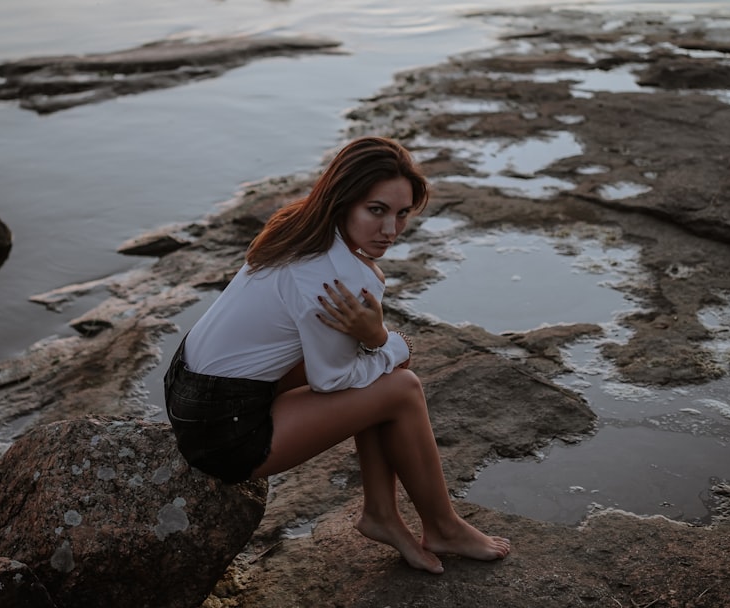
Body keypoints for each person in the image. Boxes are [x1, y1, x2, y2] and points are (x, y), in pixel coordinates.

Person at [164, 136, 510, 574]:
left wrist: (374, 343)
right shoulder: (336, 280)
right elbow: (332, 380)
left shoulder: (298, 227)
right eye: (377, 210)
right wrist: (386, 339)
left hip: (186, 388)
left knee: (380, 374)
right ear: (344, 200)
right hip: (222, 431)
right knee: (402, 387)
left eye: (402, 214)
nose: (391, 231)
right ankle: (442, 526)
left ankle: (381, 514)